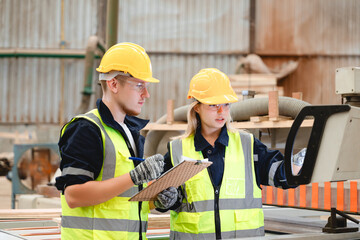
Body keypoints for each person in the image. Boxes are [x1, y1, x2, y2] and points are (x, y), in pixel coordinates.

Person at [157, 68, 305, 239]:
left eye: (226, 104)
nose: (222, 112)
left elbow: (281, 176)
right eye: (213, 105)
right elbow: (164, 199)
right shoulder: (177, 149)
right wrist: (166, 200)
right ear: (197, 108)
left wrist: (301, 161)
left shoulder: (248, 145)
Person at [55, 42, 173, 240]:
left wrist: (155, 200)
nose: (146, 94)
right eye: (139, 85)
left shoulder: (130, 133)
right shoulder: (87, 129)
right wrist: (134, 177)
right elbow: (74, 195)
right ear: (113, 84)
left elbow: (122, 200)